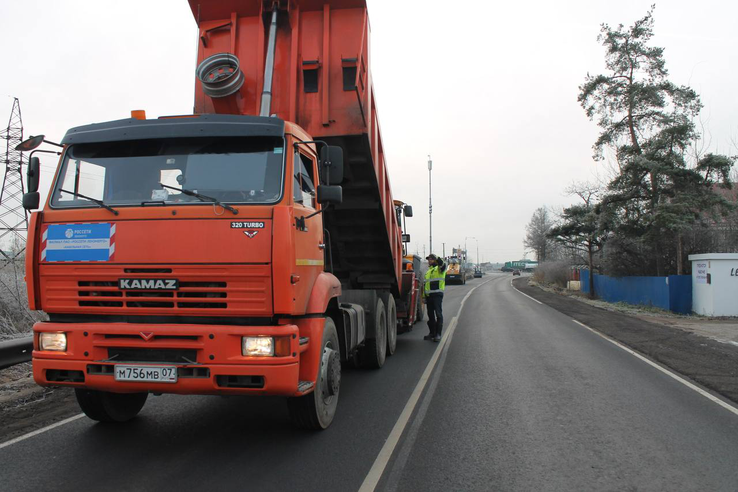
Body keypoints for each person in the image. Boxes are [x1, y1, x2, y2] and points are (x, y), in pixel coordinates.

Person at [422, 254, 447, 342]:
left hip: (437, 296)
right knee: (430, 315)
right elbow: (425, 285)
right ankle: (432, 333)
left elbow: (442, 265)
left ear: (435, 260)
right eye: (429, 259)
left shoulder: (439, 269)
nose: (429, 261)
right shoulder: (428, 271)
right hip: (429, 297)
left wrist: (438, 259)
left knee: (438, 314)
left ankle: (438, 334)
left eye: (431, 259)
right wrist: (424, 297)